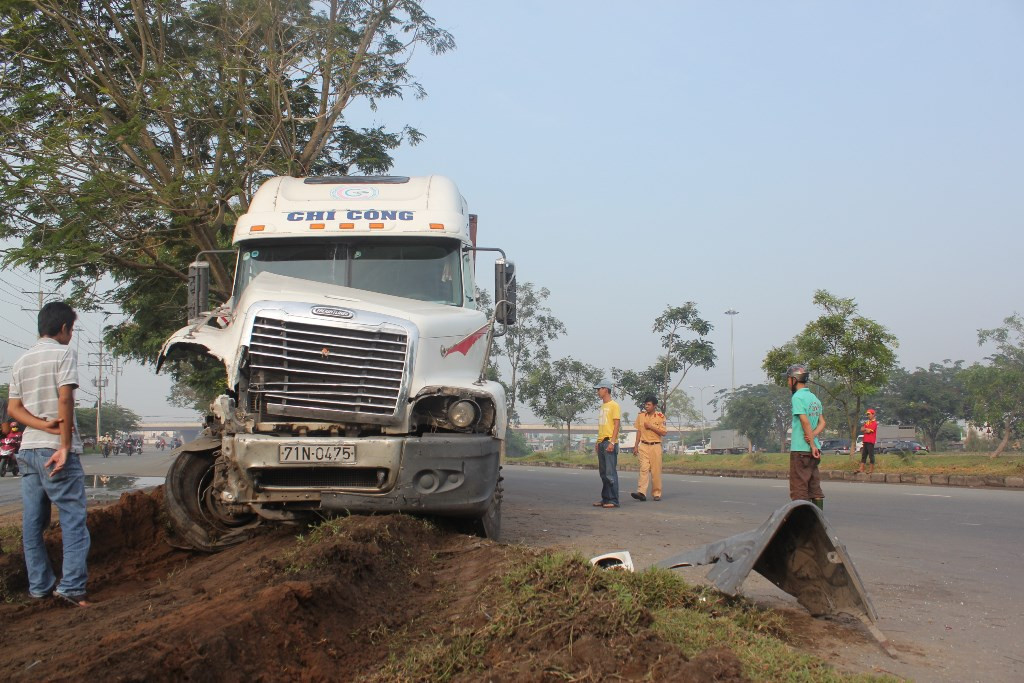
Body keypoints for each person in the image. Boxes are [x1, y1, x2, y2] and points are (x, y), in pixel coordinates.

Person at [6, 301, 91, 607]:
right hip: (55, 450)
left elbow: (14, 410)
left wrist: (41, 425)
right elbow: (65, 400)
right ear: (65, 328)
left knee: (32, 524)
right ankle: (71, 588)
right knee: (72, 520)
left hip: (28, 449)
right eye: (72, 328)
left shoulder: (21, 361)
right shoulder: (64, 353)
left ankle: (40, 587)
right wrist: (64, 444)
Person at [786, 364, 826, 511]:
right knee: (814, 488)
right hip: (813, 451)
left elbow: (804, 421)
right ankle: (819, 521)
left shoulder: (797, 397)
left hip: (800, 449)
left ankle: (803, 524)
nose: (788, 383)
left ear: (794, 380)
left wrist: (811, 444)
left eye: (788, 380)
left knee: (799, 490)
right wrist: (813, 438)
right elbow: (822, 423)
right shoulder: (814, 398)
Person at [632, 395, 667, 502]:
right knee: (643, 469)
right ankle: (641, 492)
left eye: (649, 405)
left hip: (655, 446)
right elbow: (639, 431)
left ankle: (656, 493)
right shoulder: (641, 416)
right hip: (643, 446)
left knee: (655, 471)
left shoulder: (660, 417)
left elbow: (664, 432)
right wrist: (636, 445)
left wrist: (651, 427)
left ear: (654, 406)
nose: (646, 406)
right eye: (645, 404)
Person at [592, 379, 620, 508]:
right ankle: (605, 498)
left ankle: (613, 500)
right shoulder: (603, 406)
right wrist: (598, 442)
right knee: (603, 473)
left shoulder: (614, 405)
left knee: (610, 473)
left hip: (609, 441)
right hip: (602, 442)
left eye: (599, 389)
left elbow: (616, 425)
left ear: (606, 389)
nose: (598, 392)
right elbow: (602, 426)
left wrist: (612, 442)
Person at [859, 409, 878, 474]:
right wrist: (865, 429)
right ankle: (861, 468)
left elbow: (869, 431)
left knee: (871, 455)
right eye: (867, 414)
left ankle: (871, 469)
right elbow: (861, 429)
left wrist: (865, 429)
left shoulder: (874, 423)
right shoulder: (867, 422)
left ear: (873, 414)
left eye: (869, 414)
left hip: (870, 441)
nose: (868, 416)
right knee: (863, 455)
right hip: (865, 440)